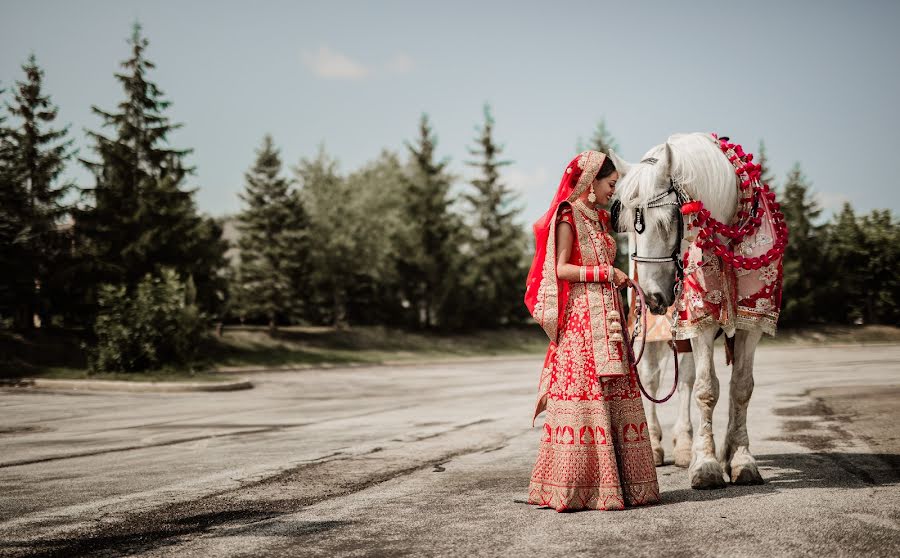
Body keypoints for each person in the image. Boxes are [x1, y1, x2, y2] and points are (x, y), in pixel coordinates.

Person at [524, 150, 660, 512]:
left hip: (610, 315)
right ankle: (580, 487)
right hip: (583, 321)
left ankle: (626, 485)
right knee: (590, 395)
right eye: (610, 184)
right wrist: (605, 274)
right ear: (590, 182)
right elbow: (562, 269)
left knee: (618, 390)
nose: (612, 192)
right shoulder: (567, 216)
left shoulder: (601, 218)